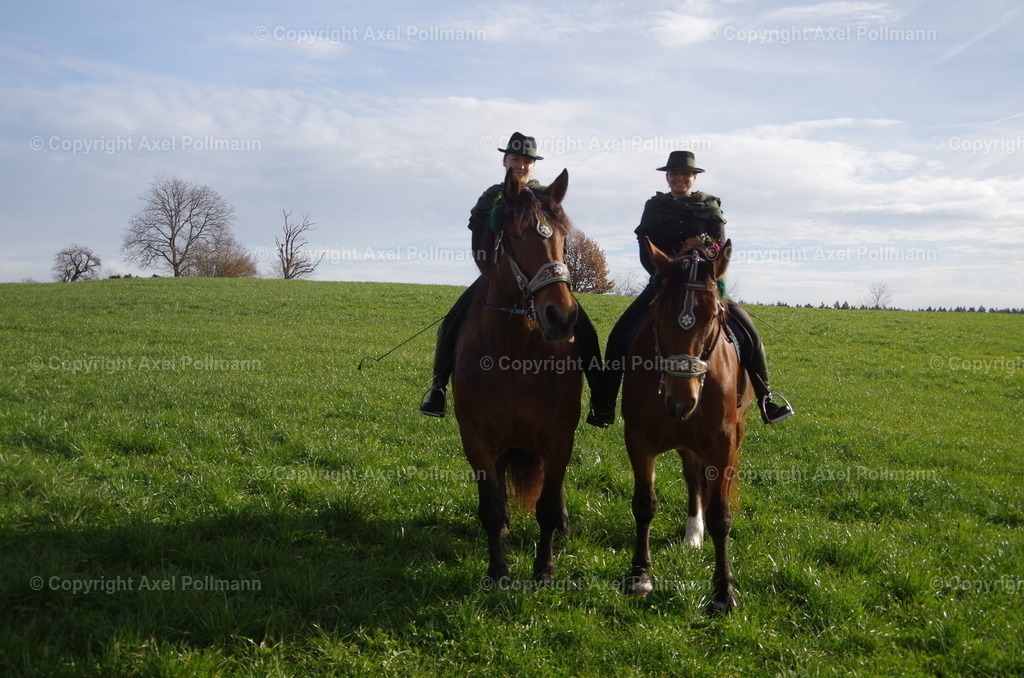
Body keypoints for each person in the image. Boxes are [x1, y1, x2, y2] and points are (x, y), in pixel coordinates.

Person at [419, 132, 613, 427]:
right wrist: (492, 273)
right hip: (495, 279)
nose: (521, 166)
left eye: (527, 161)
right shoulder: (490, 198)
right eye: (516, 160)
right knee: (451, 322)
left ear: (533, 165)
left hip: (541, 280)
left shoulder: (545, 199)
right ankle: (437, 388)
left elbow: (555, 244)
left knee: (583, 327)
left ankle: (599, 397)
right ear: (505, 161)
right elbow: (479, 244)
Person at [597, 150, 794, 424]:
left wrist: (707, 271)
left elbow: (719, 248)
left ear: (694, 177)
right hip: (664, 284)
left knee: (749, 332)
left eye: (685, 174)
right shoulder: (654, 207)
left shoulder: (709, 207)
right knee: (619, 334)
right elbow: (645, 248)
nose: (680, 178)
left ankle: (767, 398)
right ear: (667, 177)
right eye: (675, 173)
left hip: (703, 285)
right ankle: (604, 404)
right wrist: (661, 274)